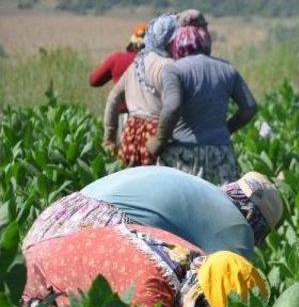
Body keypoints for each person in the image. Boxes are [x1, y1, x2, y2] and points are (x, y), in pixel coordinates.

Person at [22, 225, 270, 307]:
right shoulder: (152, 297)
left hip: (49, 248)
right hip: (38, 291)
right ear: (199, 300)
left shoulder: (196, 260)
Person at [22, 167, 283, 259]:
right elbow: (230, 297)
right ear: (254, 218)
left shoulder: (202, 190)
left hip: (61, 214)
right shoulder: (238, 229)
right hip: (108, 230)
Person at [145, 12, 258, 184]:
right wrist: (226, 129)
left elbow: (172, 107)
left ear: (177, 45)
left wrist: (159, 141)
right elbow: (249, 108)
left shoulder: (174, 70)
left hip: (183, 155)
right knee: (221, 205)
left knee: (183, 207)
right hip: (221, 154)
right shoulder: (227, 69)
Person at [103, 14, 177, 165]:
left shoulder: (137, 64)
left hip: (131, 133)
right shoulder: (170, 66)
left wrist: (109, 137)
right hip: (156, 135)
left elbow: (113, 98)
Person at [89, 22, 146, 144]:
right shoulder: (156, 64)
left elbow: (94, 81)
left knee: (122, 159)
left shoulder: (117, 58)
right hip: (150, 122)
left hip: (122, 120)